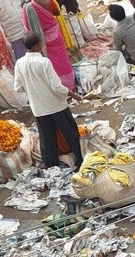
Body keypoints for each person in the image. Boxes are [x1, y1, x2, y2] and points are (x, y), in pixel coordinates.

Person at [14, 32, 83, 169]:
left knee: (47, 138)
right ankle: (81, 157)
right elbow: (56, 86)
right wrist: (72, 94)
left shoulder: (19, 63)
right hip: (56, 105)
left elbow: (18, 88)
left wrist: (32, 88)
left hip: (39, 108)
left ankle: (51, 165)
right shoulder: (44, 62)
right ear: (37, 45)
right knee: (70, 132)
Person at [21, 0, 76, 90]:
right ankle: (70, 84)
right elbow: (57, 13)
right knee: (63, 59)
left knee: (51, 63)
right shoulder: (49, 1)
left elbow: (27, 27)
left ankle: (58, 86)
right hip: (56, 35)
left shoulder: (27, 7)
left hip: (42, 40)